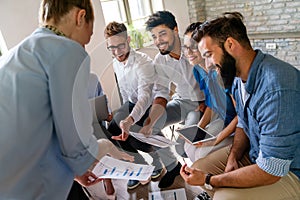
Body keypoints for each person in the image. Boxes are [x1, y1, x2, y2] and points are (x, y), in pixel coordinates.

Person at [0, 1, 132, 199]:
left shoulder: (14, 56)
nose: (84, 46)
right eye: (87, 38)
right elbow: (78, 147)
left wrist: (77, 173)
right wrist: (108, 147)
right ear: (80, 17)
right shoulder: (67, 50)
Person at [180, 12, 300, 200]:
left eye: (209, 55)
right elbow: (243, 123)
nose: (208, 64)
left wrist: (212, 179)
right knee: (198, 169)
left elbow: (272, 170)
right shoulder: (237, 77)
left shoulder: (277, 87)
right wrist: (234, 156)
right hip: (256, 154)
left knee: (223, 196)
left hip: (289, 171)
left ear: (230, 45)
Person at [141, 11, 206, 188]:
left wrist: (206, 104)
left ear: (175, 30)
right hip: (182, 101)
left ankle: (201, 176)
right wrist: (152, 119)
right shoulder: (159, 61)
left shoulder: (193, 50)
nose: (158, 41)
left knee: (181, 146)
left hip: (201, 105)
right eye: (154, 36)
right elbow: (161, 92)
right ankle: (172, 167)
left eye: (162, 34)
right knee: (150, 125)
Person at [104, 21, 163, 190]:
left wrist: (129, 120)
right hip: (131, 103)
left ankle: (157, 161)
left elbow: (144, 97)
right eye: (111, 48)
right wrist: (122, 115)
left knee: (135, 136)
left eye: (120, 46)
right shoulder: (116, 63)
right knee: (113, 131)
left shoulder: (143, 63)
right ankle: (140, 165)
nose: (117, 52)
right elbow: (124, 92)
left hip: (150, 106)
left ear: (128, 40)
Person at [181, 22, 237, 163]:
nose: (188, 53)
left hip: (237, 126)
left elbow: (242, 116)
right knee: (189, 147)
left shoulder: (221, 71)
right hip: (222, 120)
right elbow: (211, 104)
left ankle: (210, 179)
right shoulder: (198, 70)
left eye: (193, 47)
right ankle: (201, 177)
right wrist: (198, 129)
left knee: (202, 154)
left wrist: (215, 140)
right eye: (186, 48)